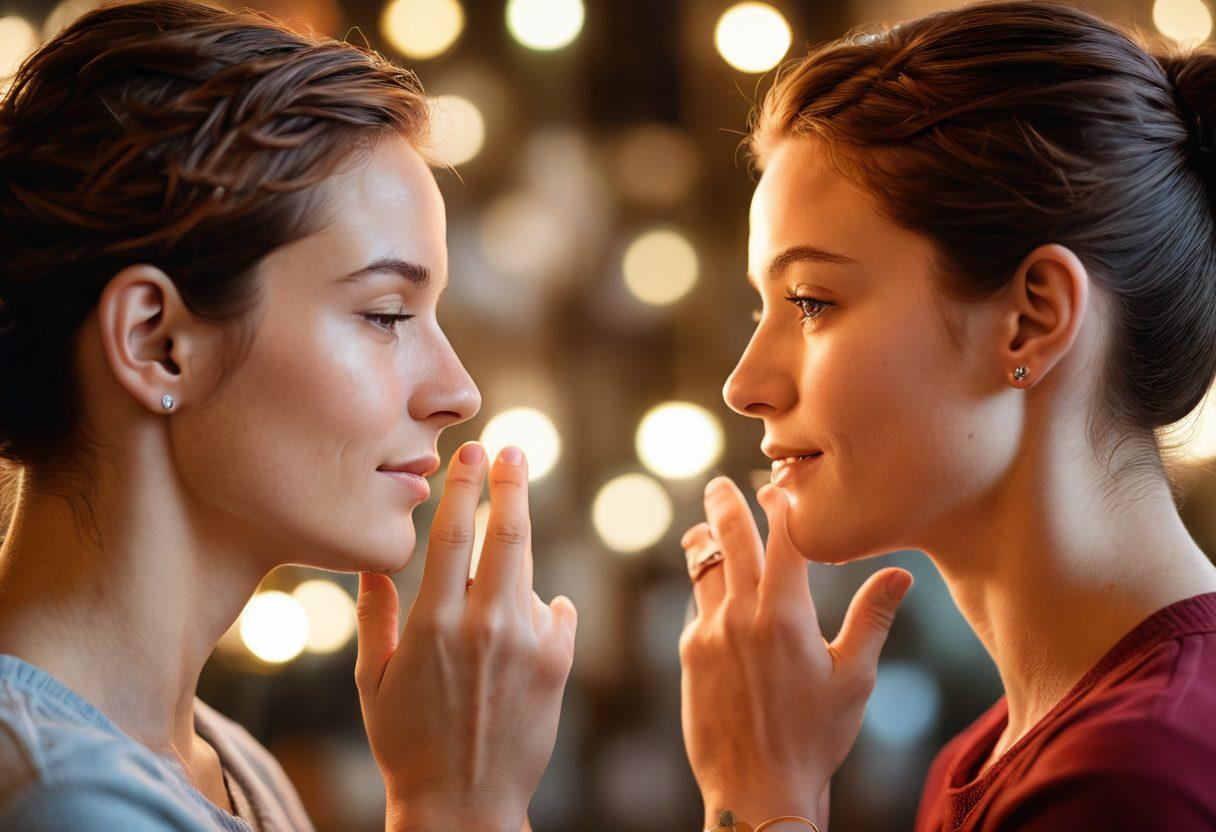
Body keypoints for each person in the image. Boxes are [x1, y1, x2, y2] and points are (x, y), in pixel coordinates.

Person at [0, 1, 575, 830]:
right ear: (157, 343)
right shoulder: (63, 800)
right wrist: (459, 806)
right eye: (386, 314)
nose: (457, 391)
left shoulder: (232, 767)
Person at [678, 2, 1216, 831]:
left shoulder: (1136, 778)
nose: (745, 384)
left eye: (813, 302)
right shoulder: (990, 754)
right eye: (765, 310)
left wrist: (762, 799)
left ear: (1033, 318)